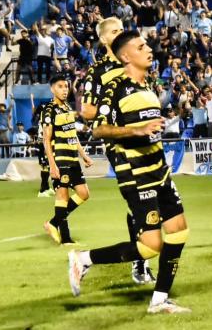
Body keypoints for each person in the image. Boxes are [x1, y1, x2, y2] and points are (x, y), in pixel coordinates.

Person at [68, 31, 191, 314]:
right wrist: (137, 130)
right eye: (141, 46)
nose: (149, 49)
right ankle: (83, 259)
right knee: (150, 245)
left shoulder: (148, 86)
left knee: (179, 230)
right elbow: (98, 128)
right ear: (126, 56)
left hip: (158, 170)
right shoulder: (116, 88)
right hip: (136, 174)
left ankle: (159, 300)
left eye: (147, 44)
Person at [78, 16, 153, 284]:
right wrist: (119, 106)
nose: (120, 33)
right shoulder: (98, 71)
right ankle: (140, 263)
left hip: (143, 140)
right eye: (114, 31)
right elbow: (86, 110)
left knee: (146, 200)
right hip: (119, 142)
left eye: (122, 29)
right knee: (140, 199)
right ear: (103, 39)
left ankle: (141, 258)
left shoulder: (135, 64)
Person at [42, 75, 93, 245]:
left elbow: (73, 135)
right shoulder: (49, 109)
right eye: (60, 86)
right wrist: (52, 165)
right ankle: (66, 239)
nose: (64, 90)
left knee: (84, 194)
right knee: (62, 196)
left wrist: (83, 155)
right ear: (52, 89)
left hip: (73, 158)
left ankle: (52, 223)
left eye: (66, 86)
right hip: (60, 158)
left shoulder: (67, 108)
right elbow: (46, 139)